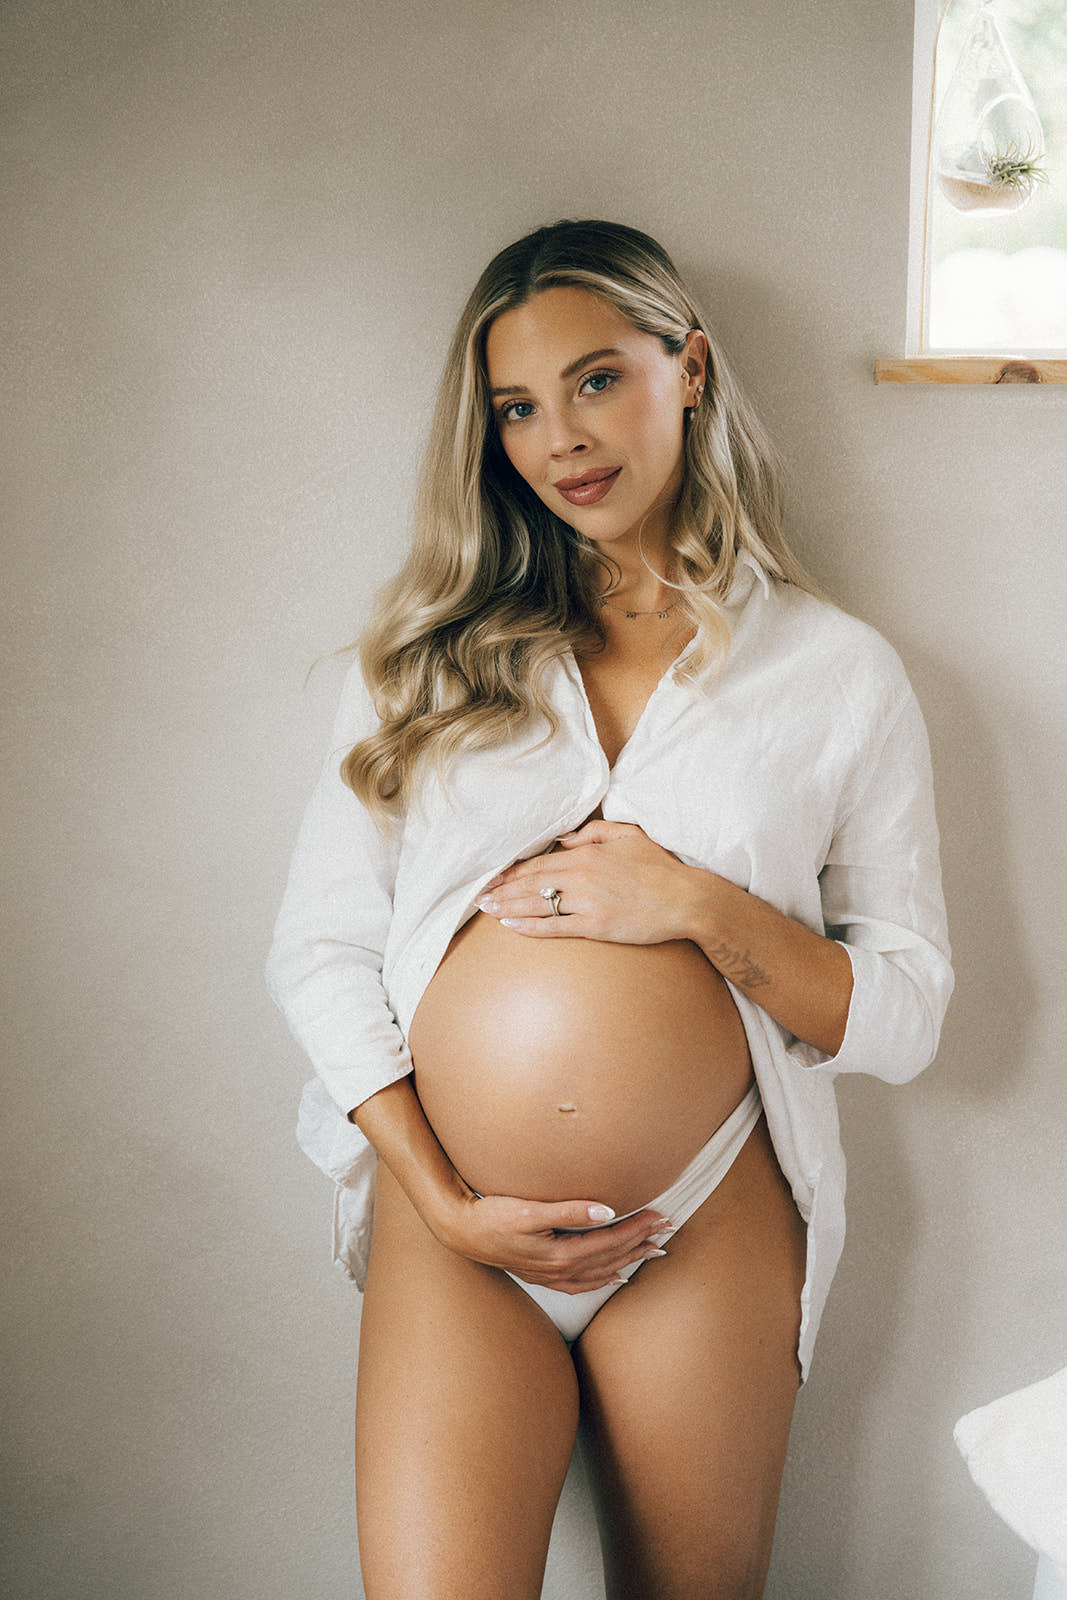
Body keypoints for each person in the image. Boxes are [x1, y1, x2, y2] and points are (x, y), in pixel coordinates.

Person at [267, 219, 953, 1600]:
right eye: (518, 407)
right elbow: (322, 950)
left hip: (703, 1221)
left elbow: (913, 1010)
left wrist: (698, 905)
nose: (560, 438)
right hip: (454, 1225)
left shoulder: (839, 673)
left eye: (596, 380)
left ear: (688, 368)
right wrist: (444, 1203)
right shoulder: (424, 657)